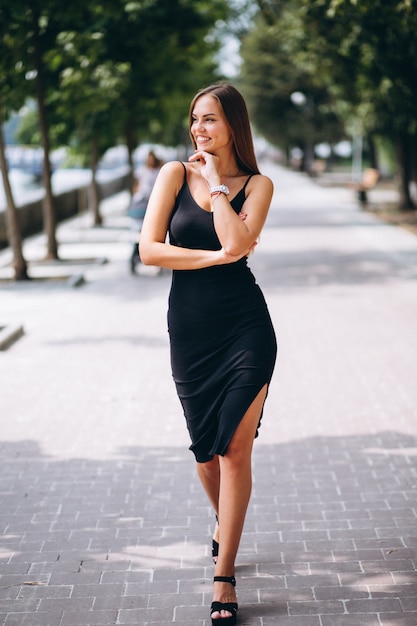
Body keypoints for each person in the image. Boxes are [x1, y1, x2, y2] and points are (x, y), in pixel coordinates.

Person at [139, 83, 277, 625]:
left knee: (235, 449)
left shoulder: (258, 185)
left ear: (233, 126)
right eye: (195, 119)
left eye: (211, 120)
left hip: (245, 328)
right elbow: (149, 251)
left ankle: (226, 577)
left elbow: (240, 244)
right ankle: (225, 526)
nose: (199, 129)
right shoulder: (172, 174)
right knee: (205, 452)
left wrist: (219, 185)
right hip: (191, 331)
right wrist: (214, 258)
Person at [128, 150, 163, 272]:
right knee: (139, 234)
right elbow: (137, 186)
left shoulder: (159, 171)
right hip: (141, 205)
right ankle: (137, 255)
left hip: (152, 203)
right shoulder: (142, 171)